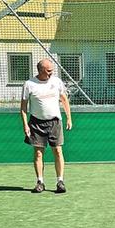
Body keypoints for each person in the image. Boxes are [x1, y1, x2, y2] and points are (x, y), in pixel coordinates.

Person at [21, 59, 73, 193]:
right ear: (40, 70)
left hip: (55, 122)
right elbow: (23, 107)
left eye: (52, 70)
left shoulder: (56, 82)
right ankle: (40, 182)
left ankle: (60, 181)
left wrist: (69, 118)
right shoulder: (29, 84)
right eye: (48, 70)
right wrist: (25, 125)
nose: (51, 73)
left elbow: (64, 99)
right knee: (38, 153)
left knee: (58, 151)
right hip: (36, 123)